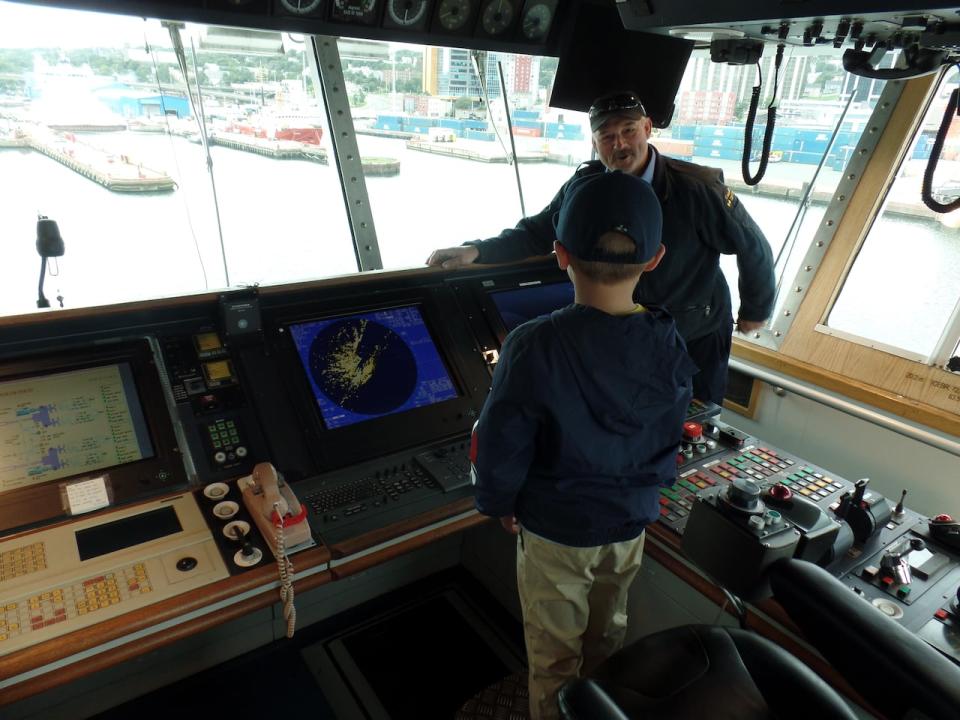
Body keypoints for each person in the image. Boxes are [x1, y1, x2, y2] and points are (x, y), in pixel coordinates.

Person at [472, 171, 697, 720]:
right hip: (629, 524)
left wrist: (499, 505)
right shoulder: (667, 336)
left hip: (556, 531)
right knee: (607, 635)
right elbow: (666, 430)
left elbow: (500, 444)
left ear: (559, 253)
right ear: (655, 258)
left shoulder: (533, 343)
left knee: (554, 657)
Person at [426, 90, 774, 404]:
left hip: (694, 328)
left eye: (628, 131)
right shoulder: (586, 185)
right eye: (607, 136)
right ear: (594, 142)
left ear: (648, 128)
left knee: (696, 420)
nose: (619, 144)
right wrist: (477, 252)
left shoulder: (697, 188)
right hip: (626, 328)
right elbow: (537, 232)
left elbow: (753, 246)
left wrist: (754, 311)